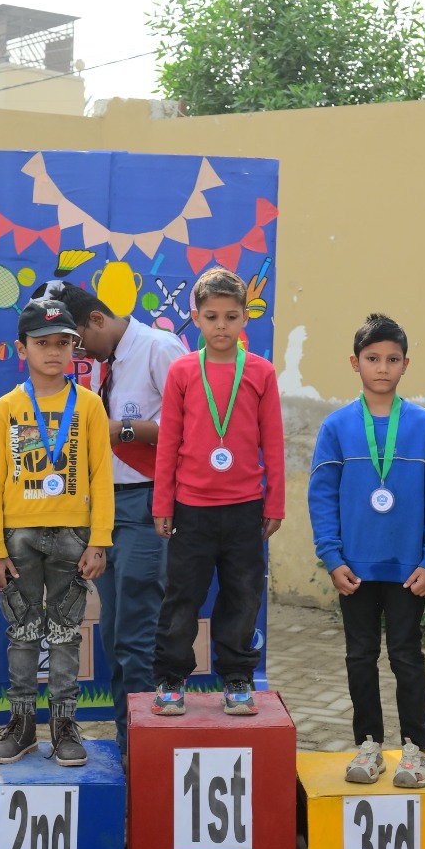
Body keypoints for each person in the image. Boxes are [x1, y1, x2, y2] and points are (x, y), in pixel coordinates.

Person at [33, 278, 184, 754]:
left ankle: (145, 753)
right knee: (116, 636)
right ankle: (128, 743)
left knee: (137, 636)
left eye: (77, 341)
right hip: (107, 507)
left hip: (147, 503)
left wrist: (121, 430)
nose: (75, 353)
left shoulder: (159, 348)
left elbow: (194, 425)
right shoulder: (110, 362)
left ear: (96, 319)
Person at [308, 313, 425, 787]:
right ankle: (369, 745)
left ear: (406, 364)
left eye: (392, 359)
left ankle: (416, 750)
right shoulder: (336, 427)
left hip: (409, 570)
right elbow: (322, 497)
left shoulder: (424, 426)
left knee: (407, 658)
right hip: (355, 570)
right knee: (360, 657)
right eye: (373, 358)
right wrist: (333, 558)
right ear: (355, 363)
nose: (383, 368)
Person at [0, 297, 114, 767]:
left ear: (75, 347)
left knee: (64, 633)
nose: (54, 352)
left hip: (74, 536)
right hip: (17, 536)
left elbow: (102, 476)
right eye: (42, 343)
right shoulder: (7, 408)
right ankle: (21, 725)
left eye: (63, 343)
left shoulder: (90, 405)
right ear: (22, 349)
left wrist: (100, 540)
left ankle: (63, 726)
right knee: (22, 632)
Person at [150, 267, 285, 715]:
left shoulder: (261, 372)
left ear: (245, 317)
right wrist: (163, 503)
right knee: (181, 596)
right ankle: (171, 679)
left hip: (246, 509)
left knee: (242, 597)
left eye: (230, 316)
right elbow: (168, 443)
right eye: (211, 317)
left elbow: (273, 443)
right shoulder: (183, 371)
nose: (221, 326)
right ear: (196, 317)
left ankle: (238, 678)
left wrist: (274, 502)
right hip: (191, 509)